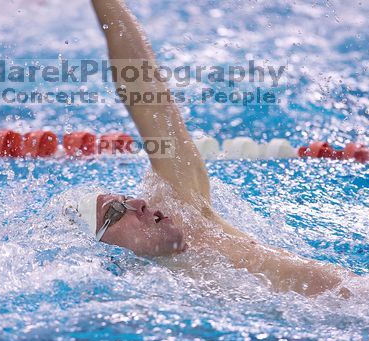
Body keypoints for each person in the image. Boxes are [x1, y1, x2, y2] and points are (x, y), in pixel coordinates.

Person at [77, 0, 352, 297]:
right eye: (117, 211)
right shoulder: (159, 293)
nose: (139, 204)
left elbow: (145, 92)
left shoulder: (185, 212)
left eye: (127, 198)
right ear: (105, 246)